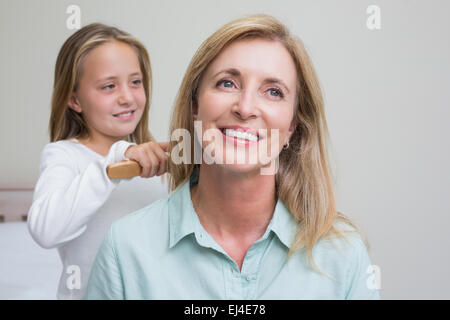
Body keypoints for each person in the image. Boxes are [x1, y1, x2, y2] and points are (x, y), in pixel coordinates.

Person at [86, 15, 381, 299]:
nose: (245, 107)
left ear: (292, 126)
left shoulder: (343, 254)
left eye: (274, 92)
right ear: (195, 106)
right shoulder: (125, 248)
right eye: (228, 83)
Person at [27, 23, 169, 300]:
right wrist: (113, 163)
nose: (127, 97)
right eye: (108, 86)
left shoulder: (155, 162)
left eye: (136, 82)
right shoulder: (65, 155)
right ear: (74, 100)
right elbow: (45, 230)